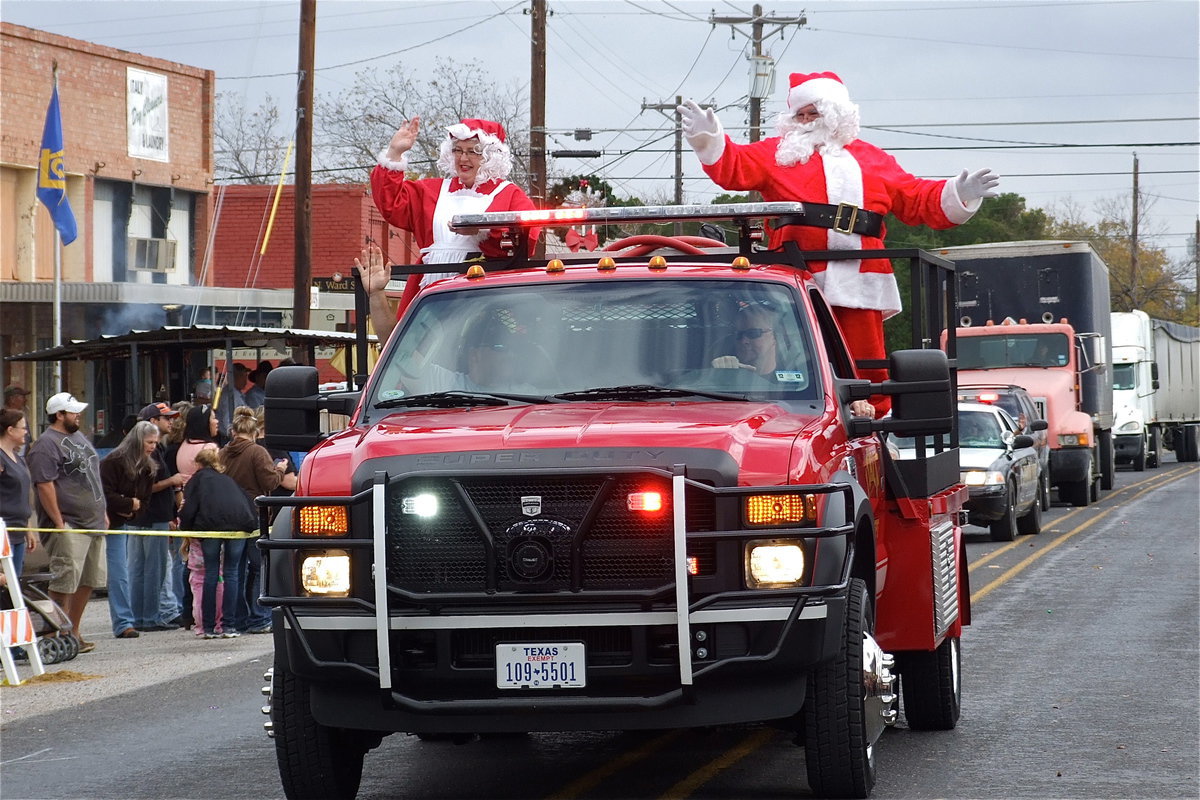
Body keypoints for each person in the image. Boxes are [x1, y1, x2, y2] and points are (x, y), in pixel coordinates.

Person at [679, 71, 1000, 416]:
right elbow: (735, 166)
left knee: (865, 354)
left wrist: (958, 194)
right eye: (798, 115)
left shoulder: (873, 159)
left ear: (836, 113)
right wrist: (709, 139)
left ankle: (872, 417)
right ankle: (793, 410)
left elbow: (917, 199)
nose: (803, 121)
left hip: (863, 274)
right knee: (797, 351)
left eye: (812, 113)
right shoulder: (779, 153)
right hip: (798, 273)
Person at [361, 117, 540, 341]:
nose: (463, 158)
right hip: (431, 290)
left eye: (473, 151)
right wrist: (395, 153)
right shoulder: (433, 190)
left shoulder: (509, 194)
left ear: (490, 155)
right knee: (413, 347)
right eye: (458, 150)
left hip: (481, 293)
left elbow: (527, 238)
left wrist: (480, 231)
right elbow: (391, 204)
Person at [26, 392, 107, 653]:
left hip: (92, 521)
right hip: (70, 523)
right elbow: (44, 485)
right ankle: (53, 633)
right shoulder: (46, 444)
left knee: (89, 580)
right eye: (73, 412)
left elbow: (92, 475)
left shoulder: (77, 437)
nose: (78, 415)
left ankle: (73, 630)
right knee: (64, 580)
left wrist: (102, 510)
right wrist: (58, 521)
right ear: (58, 415)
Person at [219, 406, 296, 634]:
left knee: (234, 571)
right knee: (258, 567)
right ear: (253, 431)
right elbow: (270, 482)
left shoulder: (222, 453)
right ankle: (259, 618)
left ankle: (235, 620)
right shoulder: (257, 452)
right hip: (253, 515)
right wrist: (280, 469)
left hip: (229, 516)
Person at [178, 447, 258, 639]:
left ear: (198, 464)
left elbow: (189, 509)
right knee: (231, 574)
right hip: (238, 527)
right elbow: (246, 501)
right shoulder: (228, 480)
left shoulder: (196, 480)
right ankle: (229, 626)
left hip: (211, 526)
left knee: (211, 573)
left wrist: (187, 530)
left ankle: (208, 627)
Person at [99, 420, 163, 639]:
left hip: (123, 522)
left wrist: (133, 509)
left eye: (156, 442)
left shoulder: (149, 467)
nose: (153, 446)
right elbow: (104, 494)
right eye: (149, 442)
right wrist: (129, 504)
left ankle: (124, 622)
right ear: (138, 440)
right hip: (103, 520)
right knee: (113, 574)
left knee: (120, 573)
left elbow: (144, 501)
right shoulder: (113, 462)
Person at [128, 403, 185, 631]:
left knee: (141, 569)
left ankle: (141, 617)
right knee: (153, 570)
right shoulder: (148, 452)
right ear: (152, 421)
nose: (171, 422)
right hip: (151, 517)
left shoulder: (155, 449)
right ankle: (150, 618)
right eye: (165, 418)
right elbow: (145, 487)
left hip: (145, 516)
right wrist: (172, 481)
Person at [0, 408, 37, 577]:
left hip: (18, 530)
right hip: (3, 531)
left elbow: (21, 496)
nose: (26, 432)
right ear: (10, 430)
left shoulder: (18, 458)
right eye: (23, 428)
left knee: (15, 587)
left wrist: (28, 529)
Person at [711, 306, 782, 377]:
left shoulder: (789, 382)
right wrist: (719, 373)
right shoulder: (726, 373)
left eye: (753, 333)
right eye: (738, 334)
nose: (743, 341)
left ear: (774, 336)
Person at [215, 363, 252, 439]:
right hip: (230, 439)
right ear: (233, 377)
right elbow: (227, 422)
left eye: (246, 376)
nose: (245, 380)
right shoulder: (231, 396)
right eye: (242, 376)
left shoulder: (236, 394)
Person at [3, 385, 32, 456]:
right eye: (22, 397)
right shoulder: (3, 418)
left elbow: (28, 441)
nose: (25, 400)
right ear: (12, 399)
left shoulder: (22, 418)